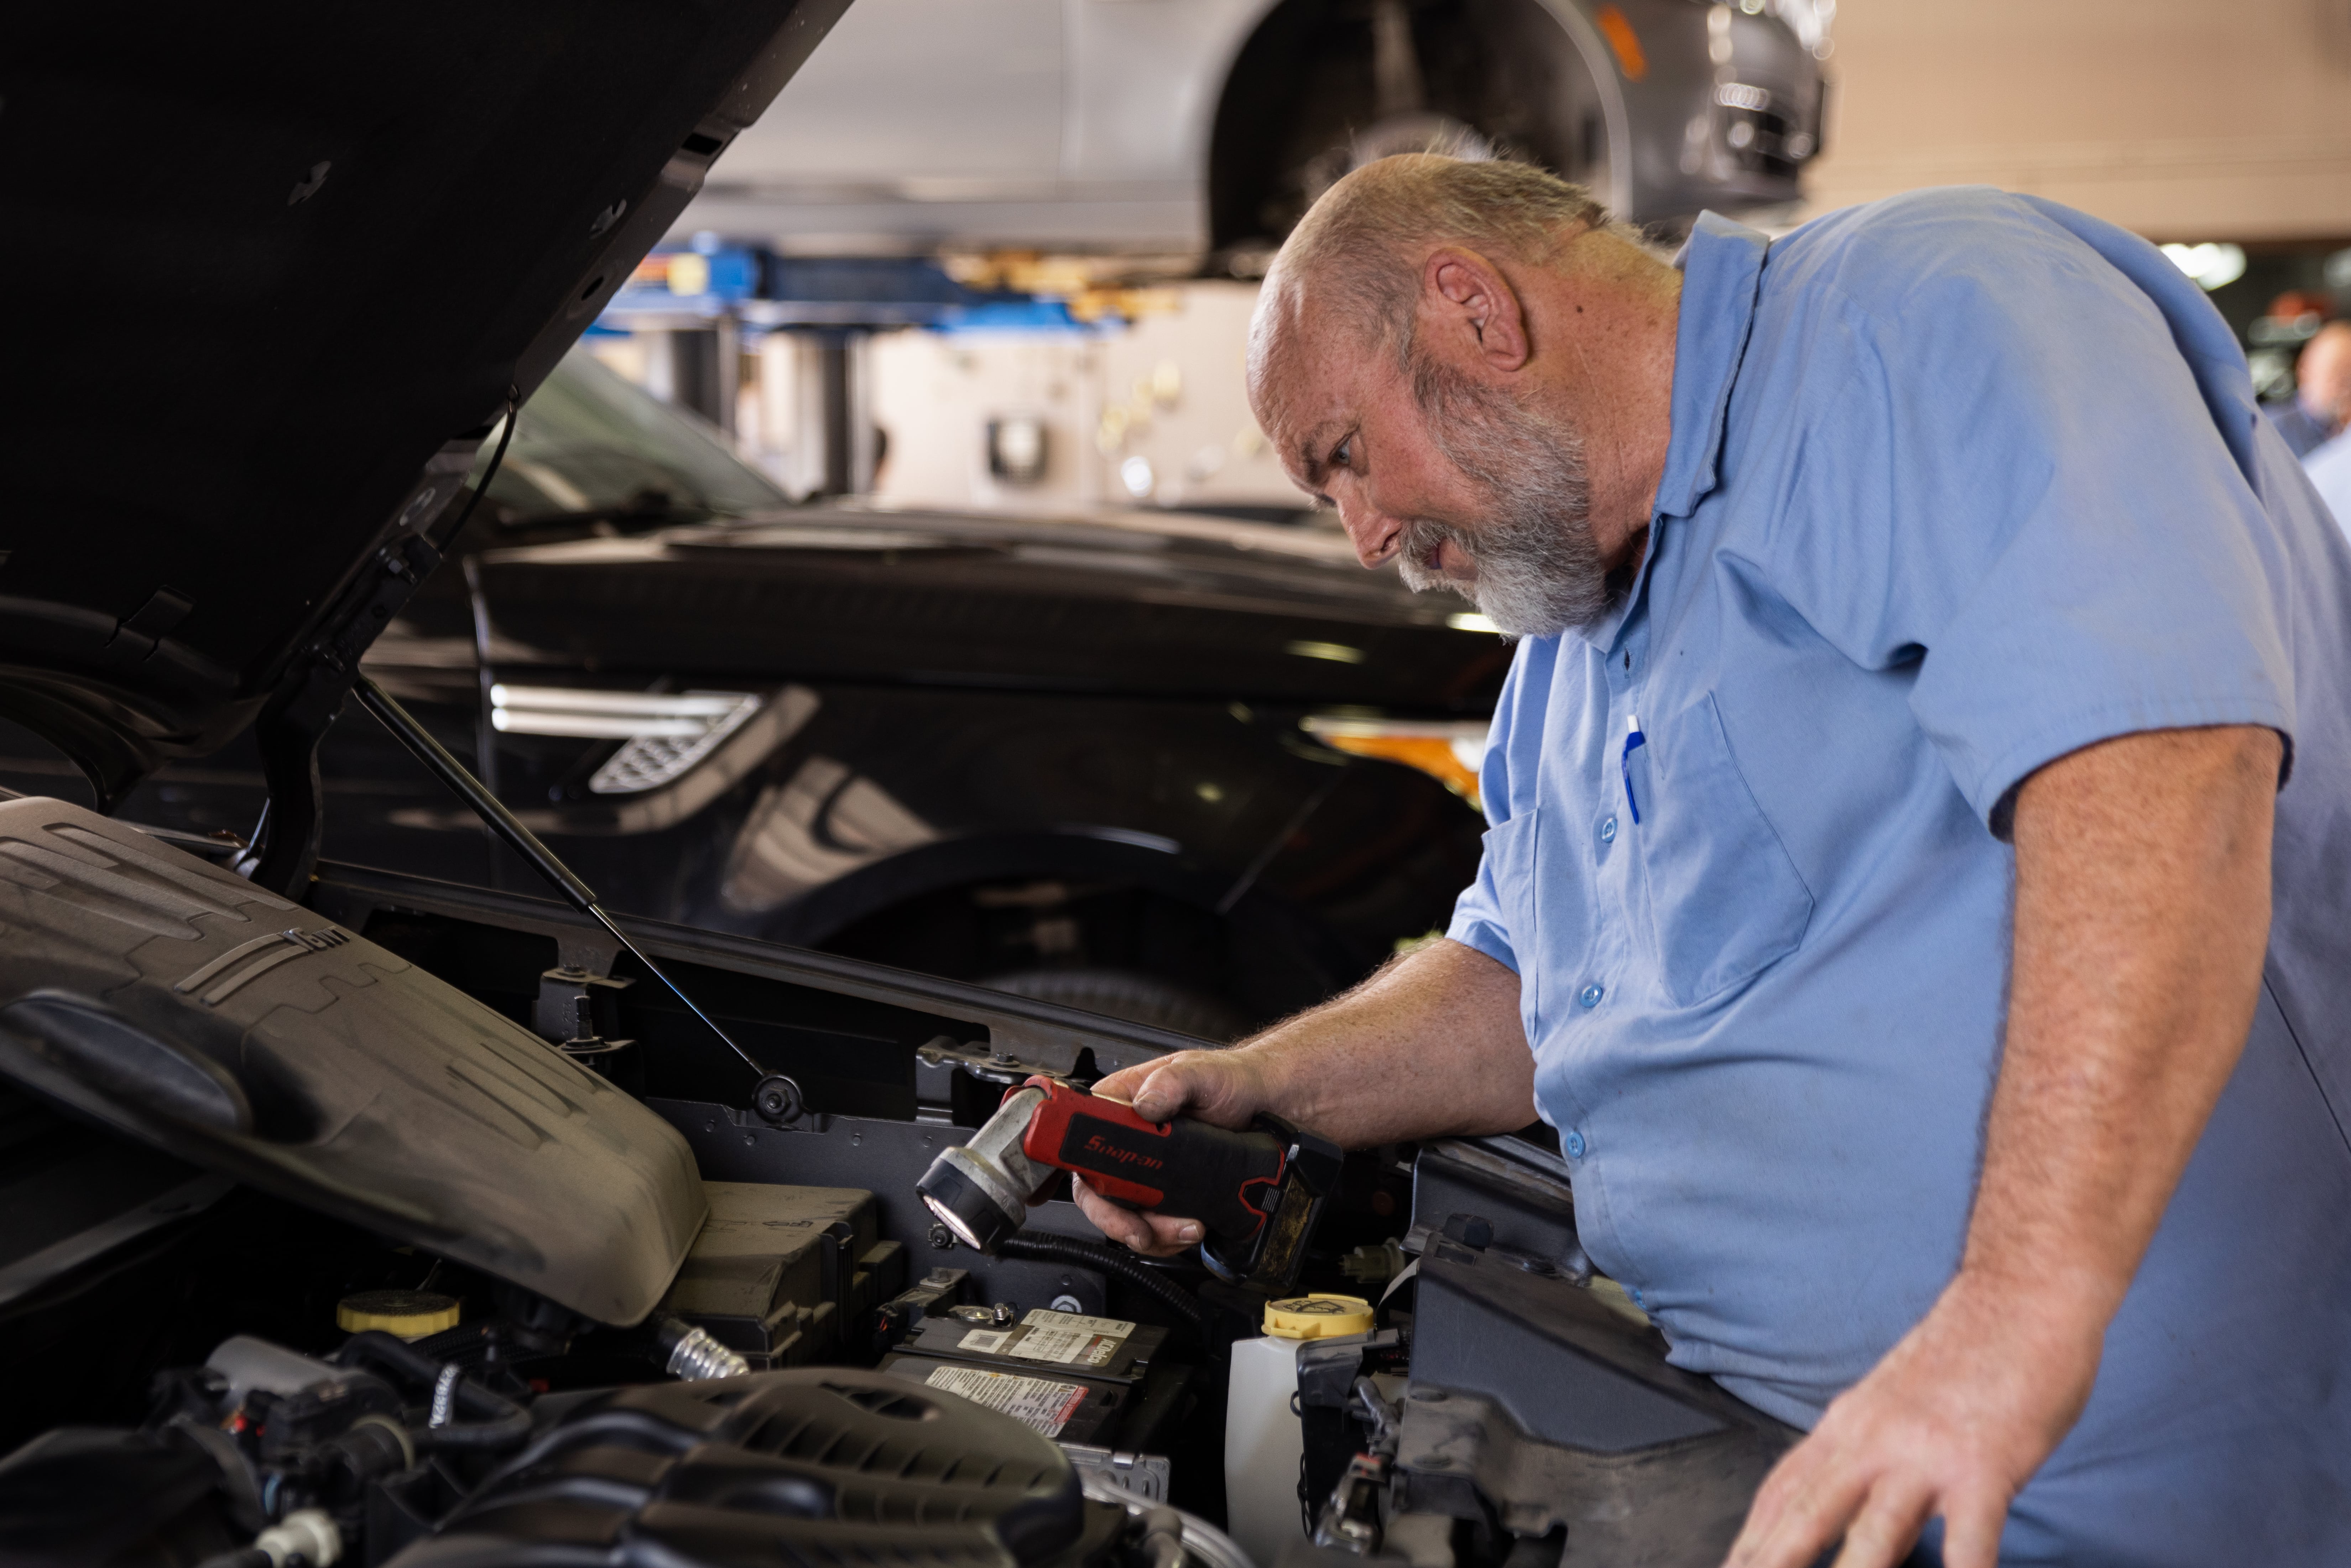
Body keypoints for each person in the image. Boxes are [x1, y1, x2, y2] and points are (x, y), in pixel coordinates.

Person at [1071, 159, 2351, 1568]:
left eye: (1346, 456)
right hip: (1782, 1446)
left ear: (1471, 311)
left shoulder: (1926, 315)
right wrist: (1264, 1079)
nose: (1367, 536)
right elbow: (1525, 979)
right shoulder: (1566, 649)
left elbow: (2161, 768)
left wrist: (2006, 1321)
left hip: (2110, 1482)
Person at [2267, 318, 2351, 456]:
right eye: (2337, 378)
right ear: (2304, 373)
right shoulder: (2274, 430)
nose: (2346, 391)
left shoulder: (2340, 429)